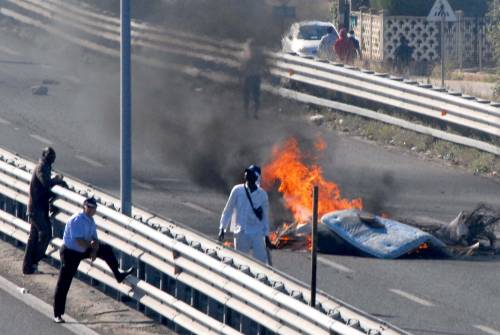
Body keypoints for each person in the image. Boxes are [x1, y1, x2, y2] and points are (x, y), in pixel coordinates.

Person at [53, 197, 134, 323]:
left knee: (106, 249)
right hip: (70, 252)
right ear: (84, 207)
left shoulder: (91, 221)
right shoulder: (78, 219)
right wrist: (92, 249)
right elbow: (78, 241)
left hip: (83, 249)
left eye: (94, 208)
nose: (92, 210)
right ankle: (57, 314)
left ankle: (118, 274)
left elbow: (94, 239)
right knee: (64, 282)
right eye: (89, 207)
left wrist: (95, 249)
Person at [23, 147, 67, 275]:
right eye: (50, 155)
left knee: (33, 238)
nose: (53, 158)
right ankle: (33, 262)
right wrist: (57, 180)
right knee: (46, 233)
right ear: (44, 155)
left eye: (54, 155)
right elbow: (46, 183)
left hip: (39, 208)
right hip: (37, 209)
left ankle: (28, 267)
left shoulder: (45, 167)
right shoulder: (41, 167)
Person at [218, 165, 270, 264]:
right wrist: (222, 228)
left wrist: (266, 236)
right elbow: (228, 210)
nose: (247, 175)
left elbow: (265, 217)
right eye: (247, 173)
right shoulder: (237, 190)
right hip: (241, 233)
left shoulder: (262, 195)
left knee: (261, 263)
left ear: (256, 177)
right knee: (240, 262)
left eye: (250, 173)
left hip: (257, 233)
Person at [240, 39, 266, 119]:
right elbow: (264, 63)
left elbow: (243, 66)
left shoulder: (246, 52)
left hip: (248, 76)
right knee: (256, 95)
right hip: (256, 76)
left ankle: (247, 113)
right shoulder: (260, 53)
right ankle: (255, 113)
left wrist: (241, 74)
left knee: (247, 95)